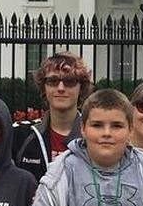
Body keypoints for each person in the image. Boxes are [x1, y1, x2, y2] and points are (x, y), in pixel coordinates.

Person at [13, 51, 94, 182]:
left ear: (81, 88)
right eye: (53, 81)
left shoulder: (93, 136)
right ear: (44, 88)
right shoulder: (21, 136)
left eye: (70, 81)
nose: (61, 88)